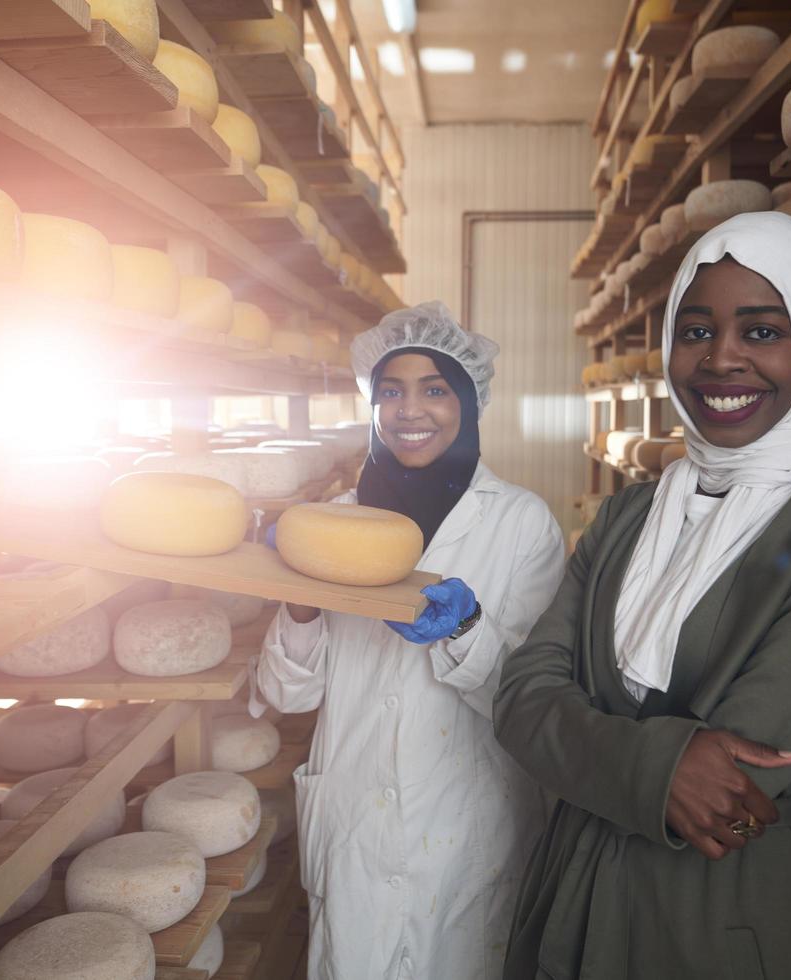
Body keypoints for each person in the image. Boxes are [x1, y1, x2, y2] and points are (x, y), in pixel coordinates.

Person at [494, 212, 791, 980]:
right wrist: (663, 766)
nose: (721, 359)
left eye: (761, 333)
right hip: (573, 889)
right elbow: (520, 698)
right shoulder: (629, 513)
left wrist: (585, 742)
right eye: (696, 331)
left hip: (729, 913)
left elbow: (734, 789)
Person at [253, 302, 566, 980]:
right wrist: (299, 603)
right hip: (355, 815)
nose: (409, 410)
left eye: (434, 389)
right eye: (390, 391)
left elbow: (535, 697)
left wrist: (463, 630)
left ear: (469, 402)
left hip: (471, 816)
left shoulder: (520, 523)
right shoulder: (333, 524)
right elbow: (288, 693)